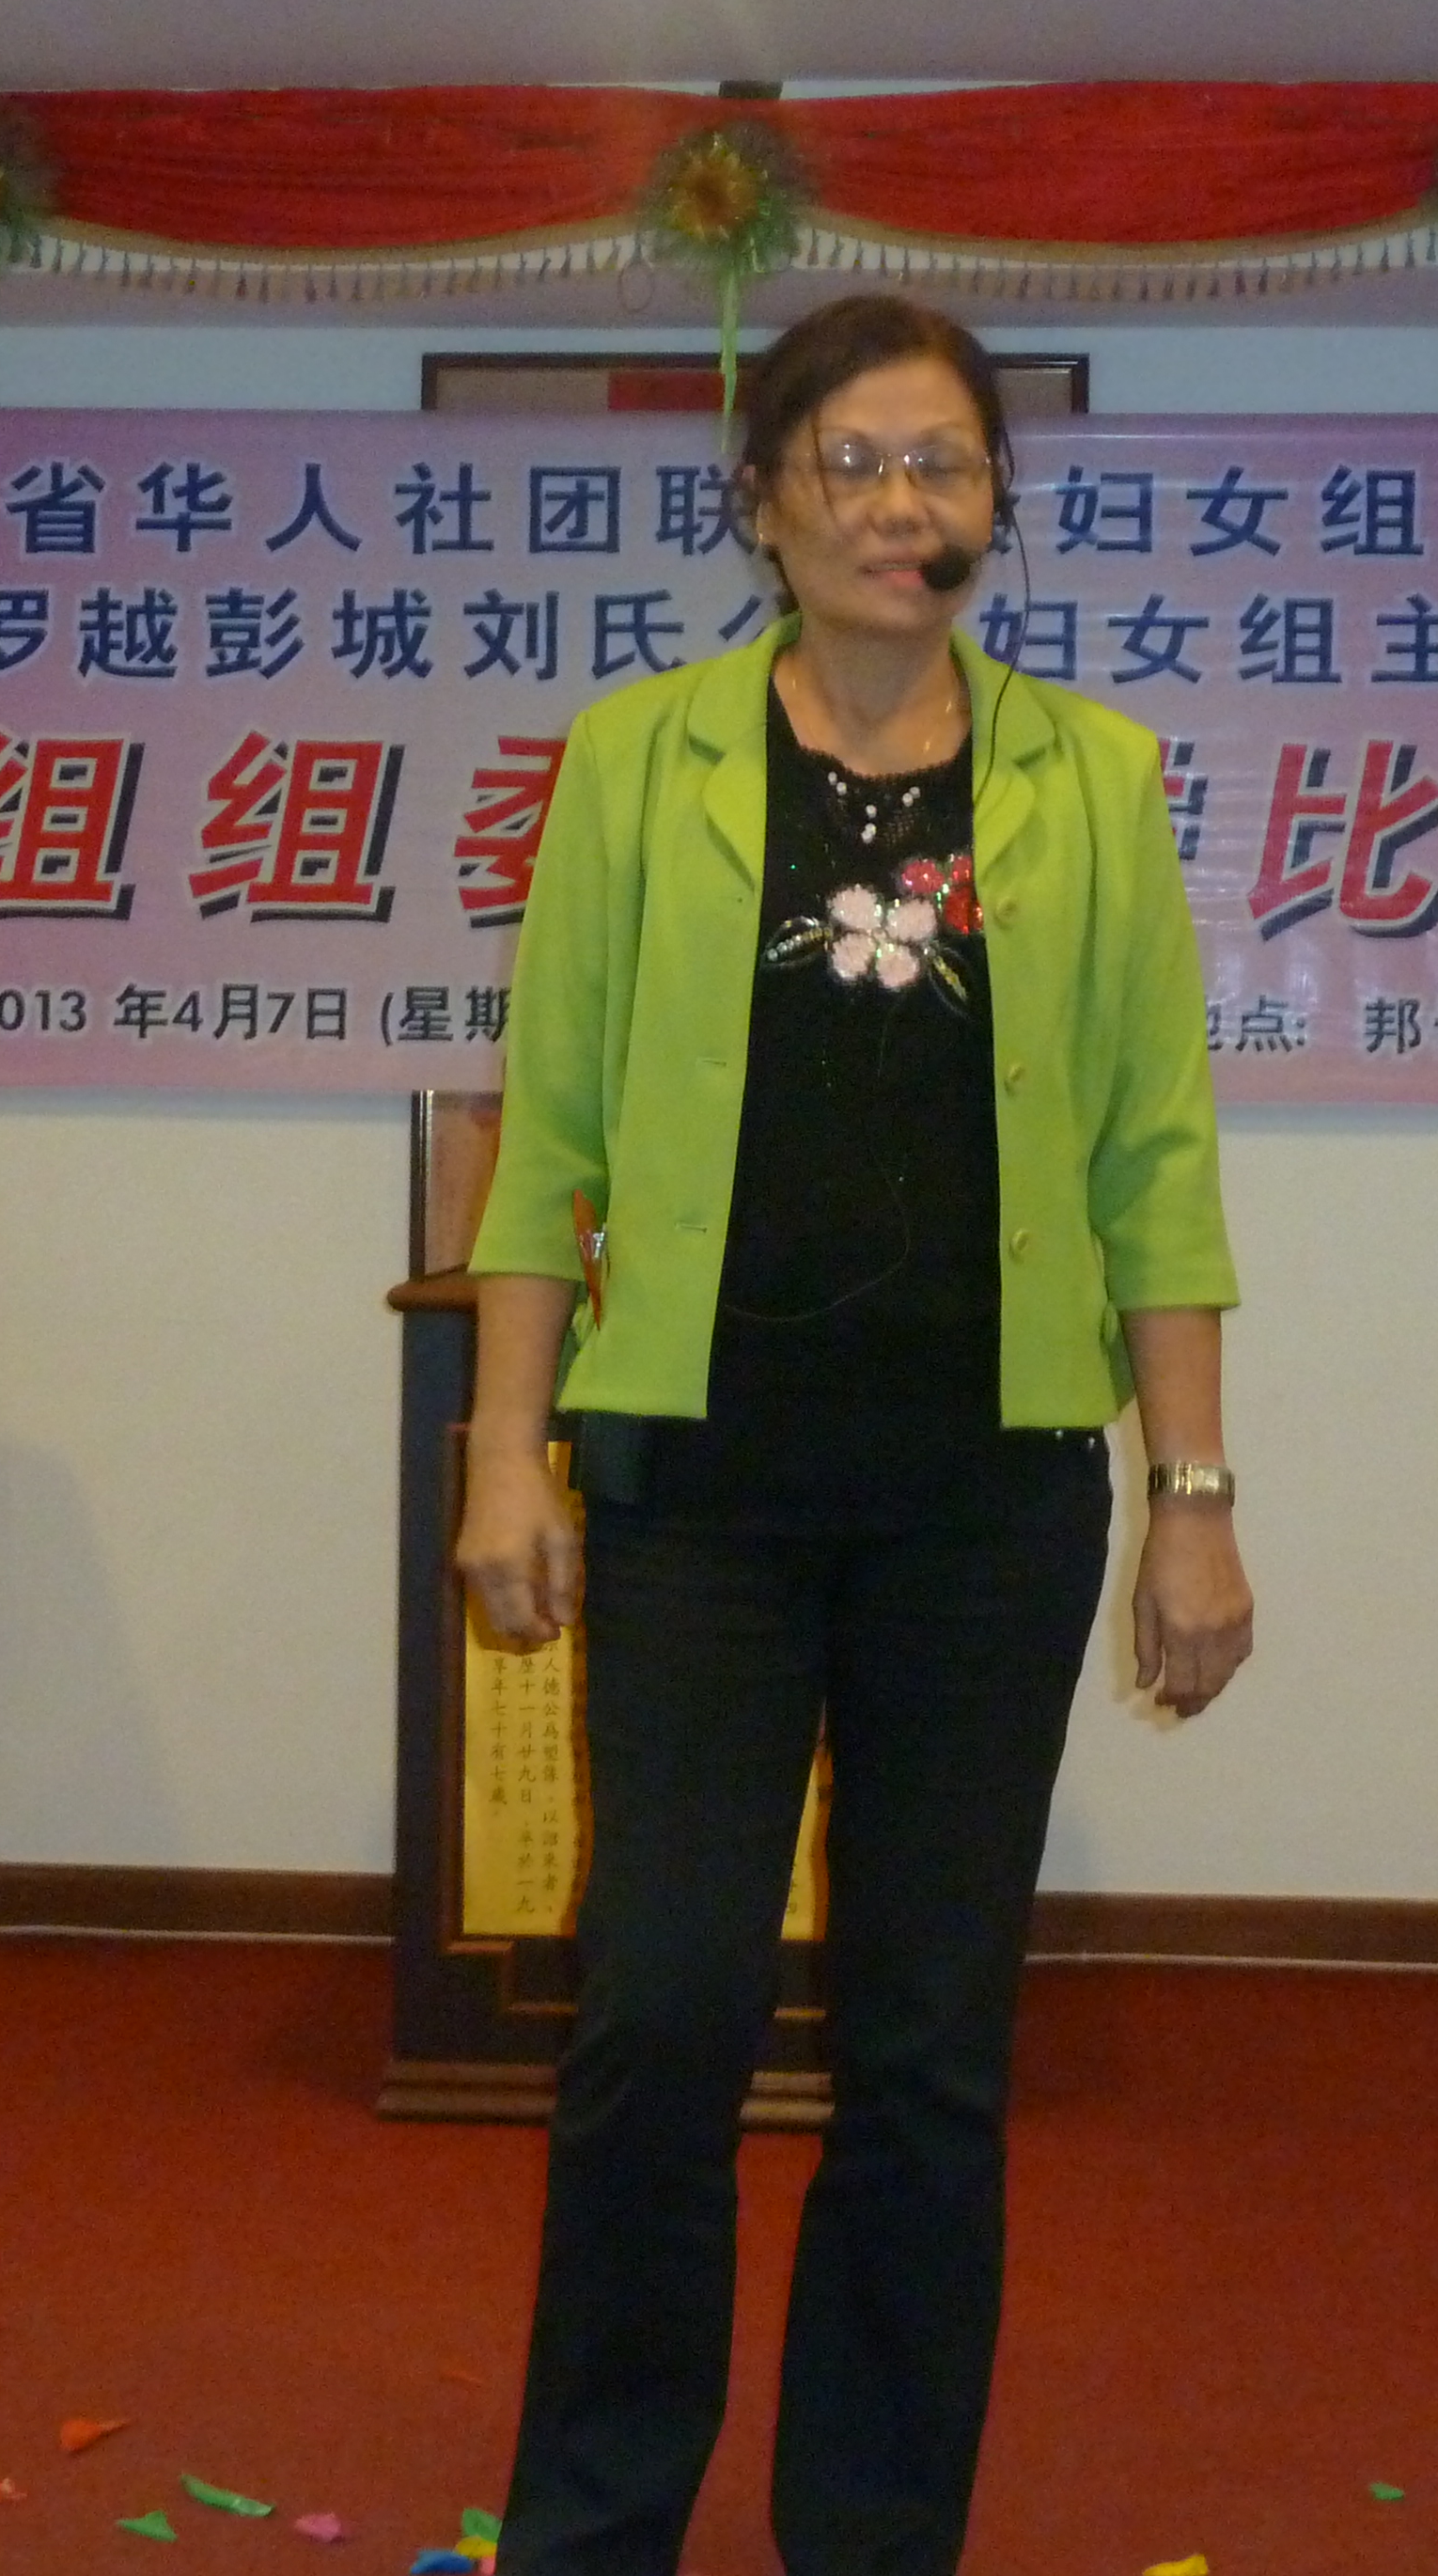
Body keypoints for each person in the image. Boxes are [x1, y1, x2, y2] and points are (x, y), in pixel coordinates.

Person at [456, 292, 1251, 2576]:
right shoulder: (641, 760)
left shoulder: (1089, 779)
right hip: (700, 1497)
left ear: (993, 504)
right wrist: (505, 1446)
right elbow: (551, 1133)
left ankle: (873, 2537)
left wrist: (1190, 1500)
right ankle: (593, 2529)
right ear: (764, 502)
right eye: (856, 462)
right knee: (661, 2013)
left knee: (924, 2054)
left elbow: (1154, 1160)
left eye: (944, 465)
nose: (905, 506)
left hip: (982, 1509)